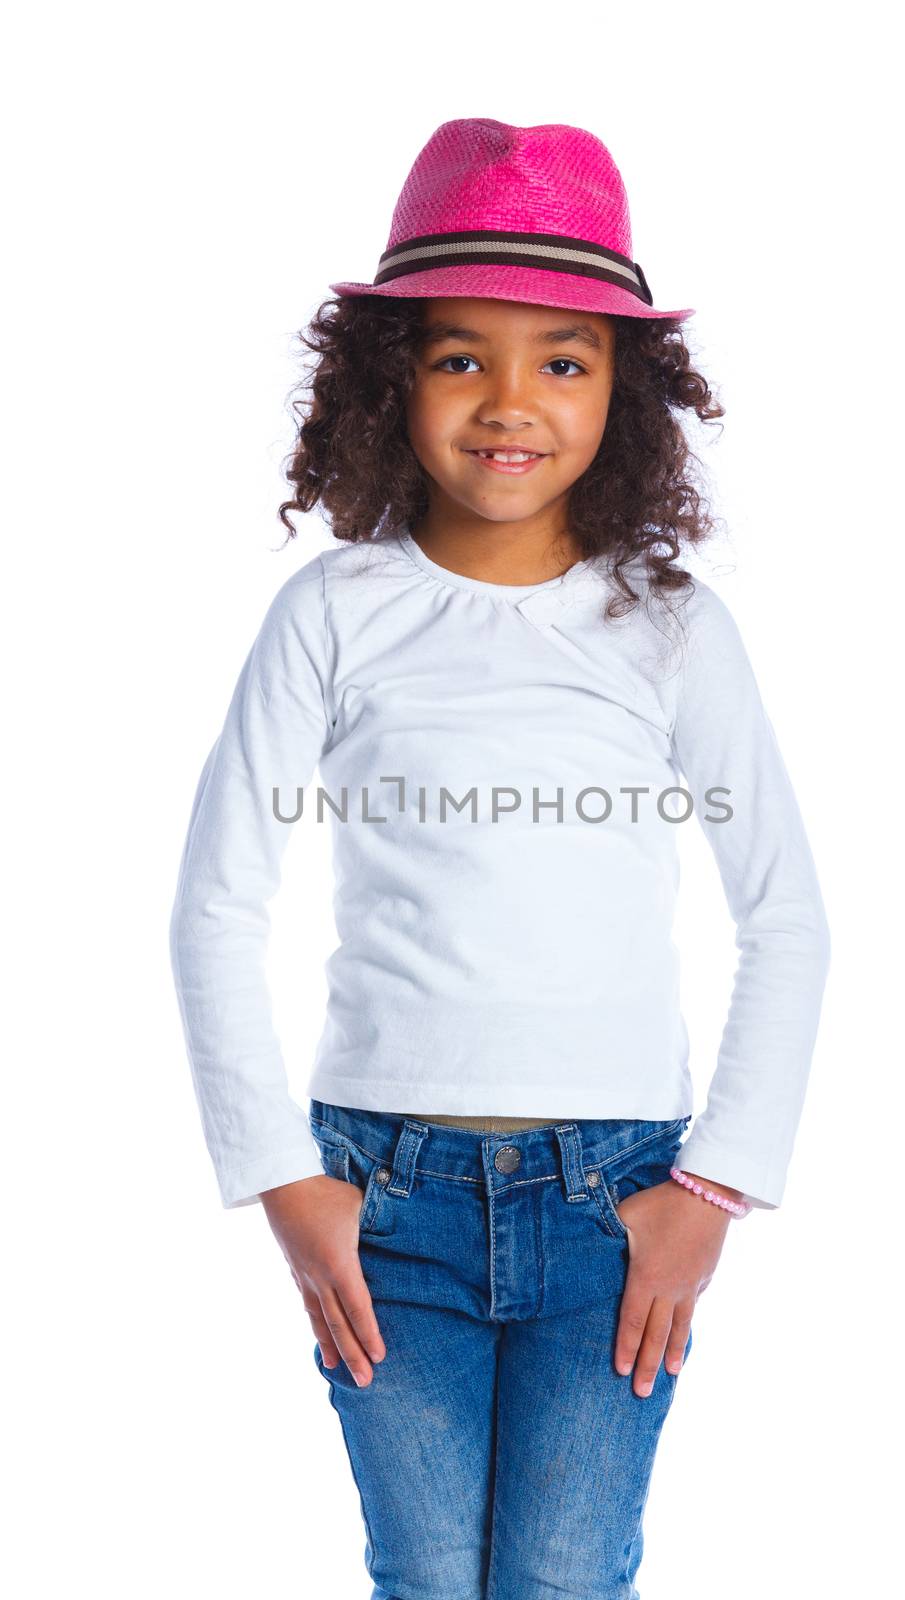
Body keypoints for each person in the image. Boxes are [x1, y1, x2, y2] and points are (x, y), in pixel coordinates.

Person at [168, 118, 832, 1600]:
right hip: (378, 1192)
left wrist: (709, 1193)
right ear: (388, 382)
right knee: (422, 1570)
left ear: (625, 392)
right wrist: (282, 1179)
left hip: (614, 1199)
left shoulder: (668, 626)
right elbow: (217, 909)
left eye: (564, 359)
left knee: (561, 1572)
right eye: (461, 357)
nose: (509, 402)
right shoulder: (333, 613)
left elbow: (784, 918)